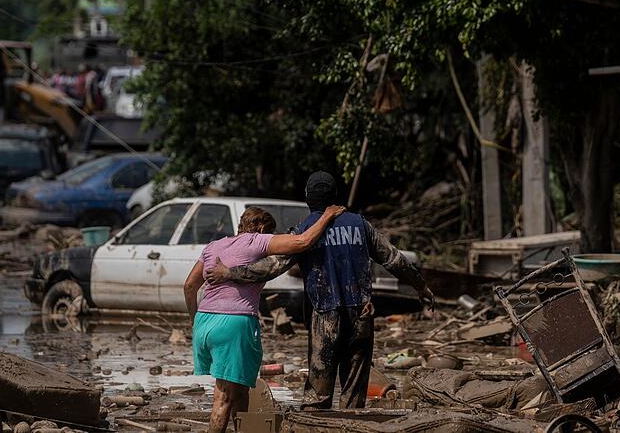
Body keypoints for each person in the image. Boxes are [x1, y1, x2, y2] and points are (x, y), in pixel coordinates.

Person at [206, 171, 434, 410]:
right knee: (354, 390)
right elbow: (394, 259)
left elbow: (272, 267)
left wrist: (230, 273)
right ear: (335, 196)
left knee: (318, 393)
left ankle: (315, 423)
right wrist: (421, 286)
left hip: (325, 315)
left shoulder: (305, 230)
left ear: (308, 198)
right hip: (361, 313)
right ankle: (352, 423)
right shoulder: (360, 225)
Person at [183, 204, 345, 433]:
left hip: (204, 322)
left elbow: (189, 286)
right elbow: (303, 242)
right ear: (260, 228)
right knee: (224, 397)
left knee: (240, 388)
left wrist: (194, 320)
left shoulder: (213, 246)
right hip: (233, 323)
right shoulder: (257, 241)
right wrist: (327, 215)